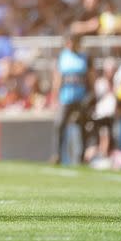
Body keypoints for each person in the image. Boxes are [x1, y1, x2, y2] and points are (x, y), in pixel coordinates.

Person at [51, 35, 94, 165]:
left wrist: (92, 96)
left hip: (81, 98)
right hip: (65, 98)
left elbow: (91, 77)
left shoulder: (85, 58)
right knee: (60, 125)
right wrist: (55, 96)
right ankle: (57, 154)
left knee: (83, 127)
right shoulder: (62, 57)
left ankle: (82, 157)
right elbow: (57, 78)